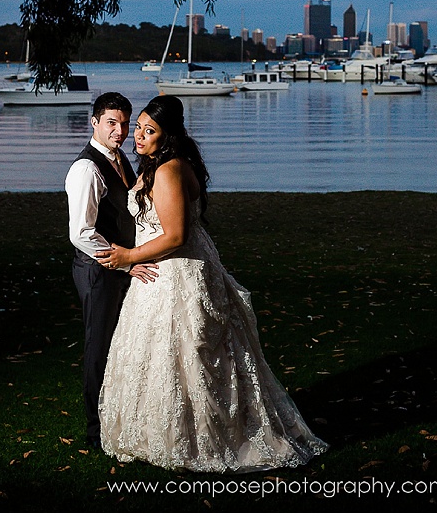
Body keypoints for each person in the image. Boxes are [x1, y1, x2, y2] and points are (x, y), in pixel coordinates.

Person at [95, 95, 327, 472]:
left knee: (187, 351)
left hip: (174, 270)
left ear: (166, 135)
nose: (137, 135)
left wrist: (127, 258)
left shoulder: (169, 170)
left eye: (148, 131)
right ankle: (167, 428)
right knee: (169, 353)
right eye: (137, 127)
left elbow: (175, 235)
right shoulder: (166, 164)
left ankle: (198, 435)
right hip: (176, 267)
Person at [63, 92, 157, 449]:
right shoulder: (86, 168)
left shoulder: (118, 159)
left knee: (119, 346)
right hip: (97, 270)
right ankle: (94, 432)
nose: (119, 131)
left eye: (124, 123)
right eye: (111, 123)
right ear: (95, 123)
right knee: (98, 347)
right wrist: (126, 260)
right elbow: (81, 232)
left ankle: (118, 417)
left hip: (118, 267)